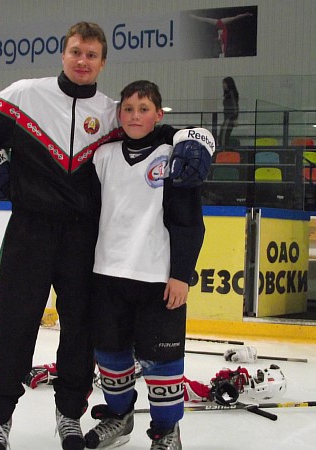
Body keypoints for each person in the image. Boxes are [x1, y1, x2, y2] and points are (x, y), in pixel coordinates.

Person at [0, 22, 123, 450]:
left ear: (103, 62)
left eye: (91, 55)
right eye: (76, 52)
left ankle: (70, 414)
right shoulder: (25, 94)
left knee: (80, 330)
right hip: (29, 231)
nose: (82, 61)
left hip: (84, 238)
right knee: (12, 326)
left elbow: (153, 131)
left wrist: (195, 140)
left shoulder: (112, 113)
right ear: (63, 54)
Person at [84, 80, 213, 450]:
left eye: (144, 109)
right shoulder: (103, 155)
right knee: (110, 356)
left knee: (162, 362)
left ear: (159, 114)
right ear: (118, 114)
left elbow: (189, 222)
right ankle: (119, 416)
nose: (135, 116)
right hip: (107, 275)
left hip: (157, 278)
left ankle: (166, 430)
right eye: (128, 109)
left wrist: (181, 275)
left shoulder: (175, 154)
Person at [219, 76, 239, 147]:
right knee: (223, 134)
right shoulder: (228, 94)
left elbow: (235, 106)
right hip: (227, 117)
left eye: (224, 83)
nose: (223, 85)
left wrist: (235, 117)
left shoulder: (231, 94)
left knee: (224, 136)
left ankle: (223, 149)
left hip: (229, 117)